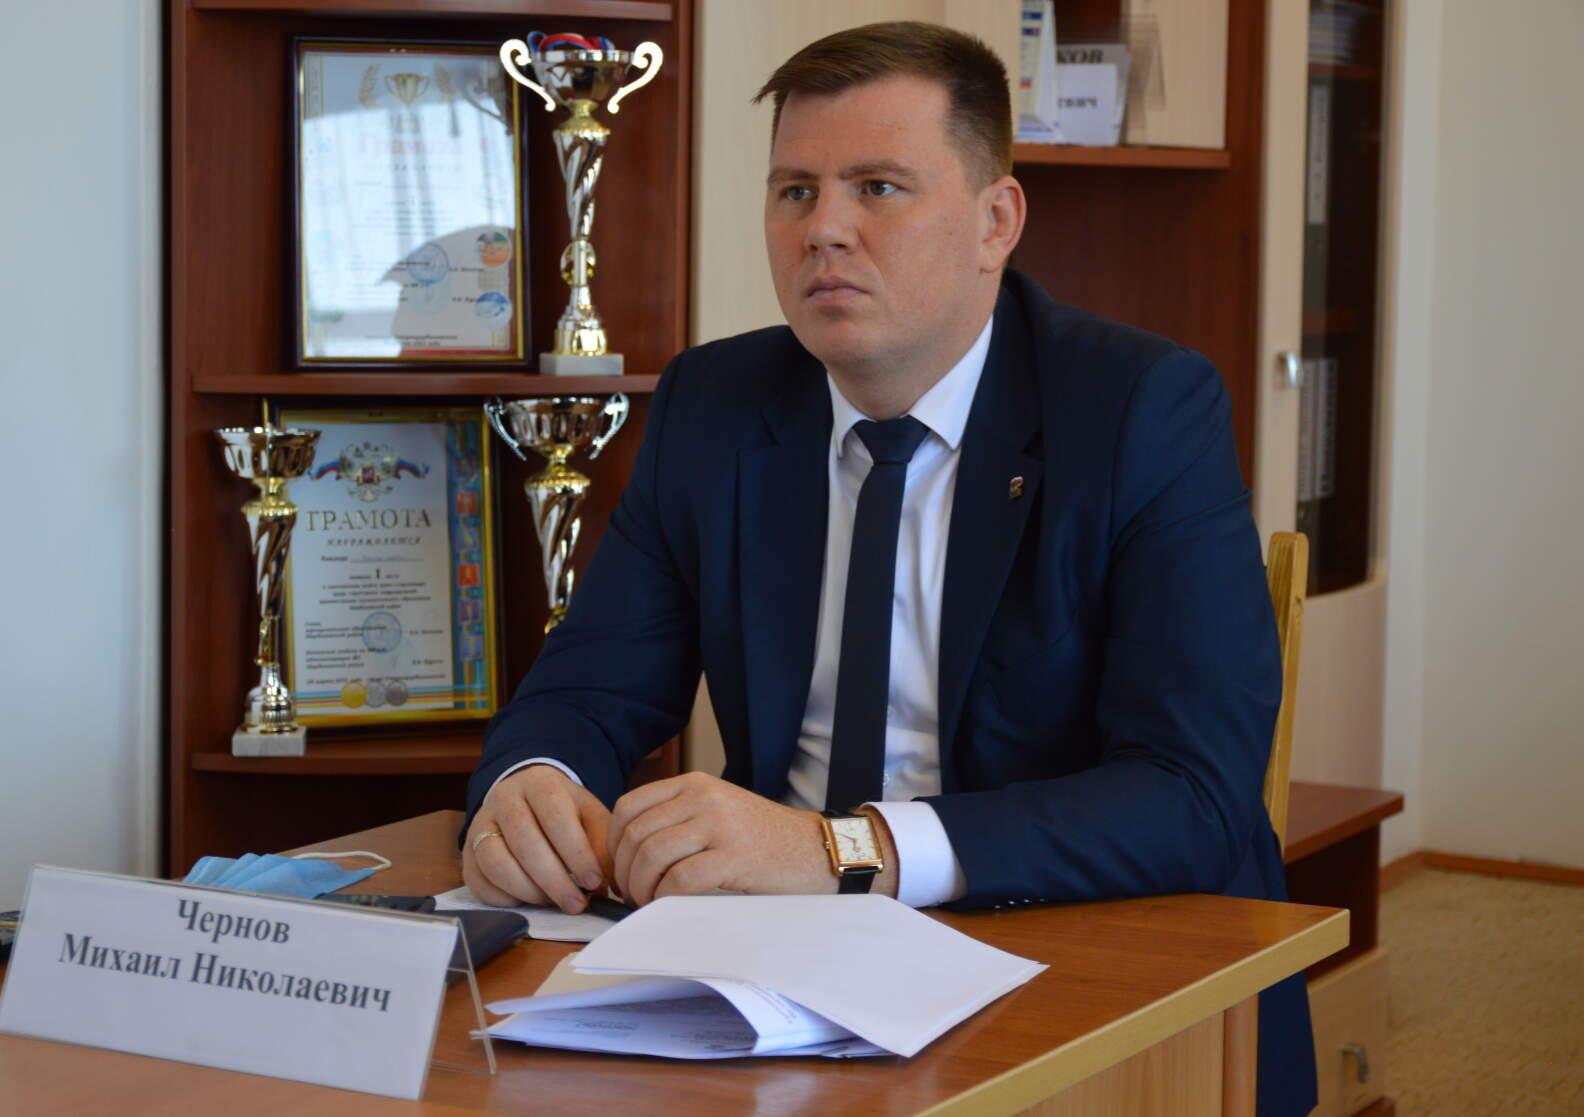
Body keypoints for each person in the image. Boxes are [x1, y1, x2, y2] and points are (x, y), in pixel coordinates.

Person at [459, 21, 1313, 1115]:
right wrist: (533, 783)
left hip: (1072, 949)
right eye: (795, 192)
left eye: (878, 187)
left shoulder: (1141, 409)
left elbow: (1191, 793)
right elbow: (586, 688)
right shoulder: (714, 407)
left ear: (996, 221)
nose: (825, 229)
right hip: (775, 975)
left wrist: (842, 849)